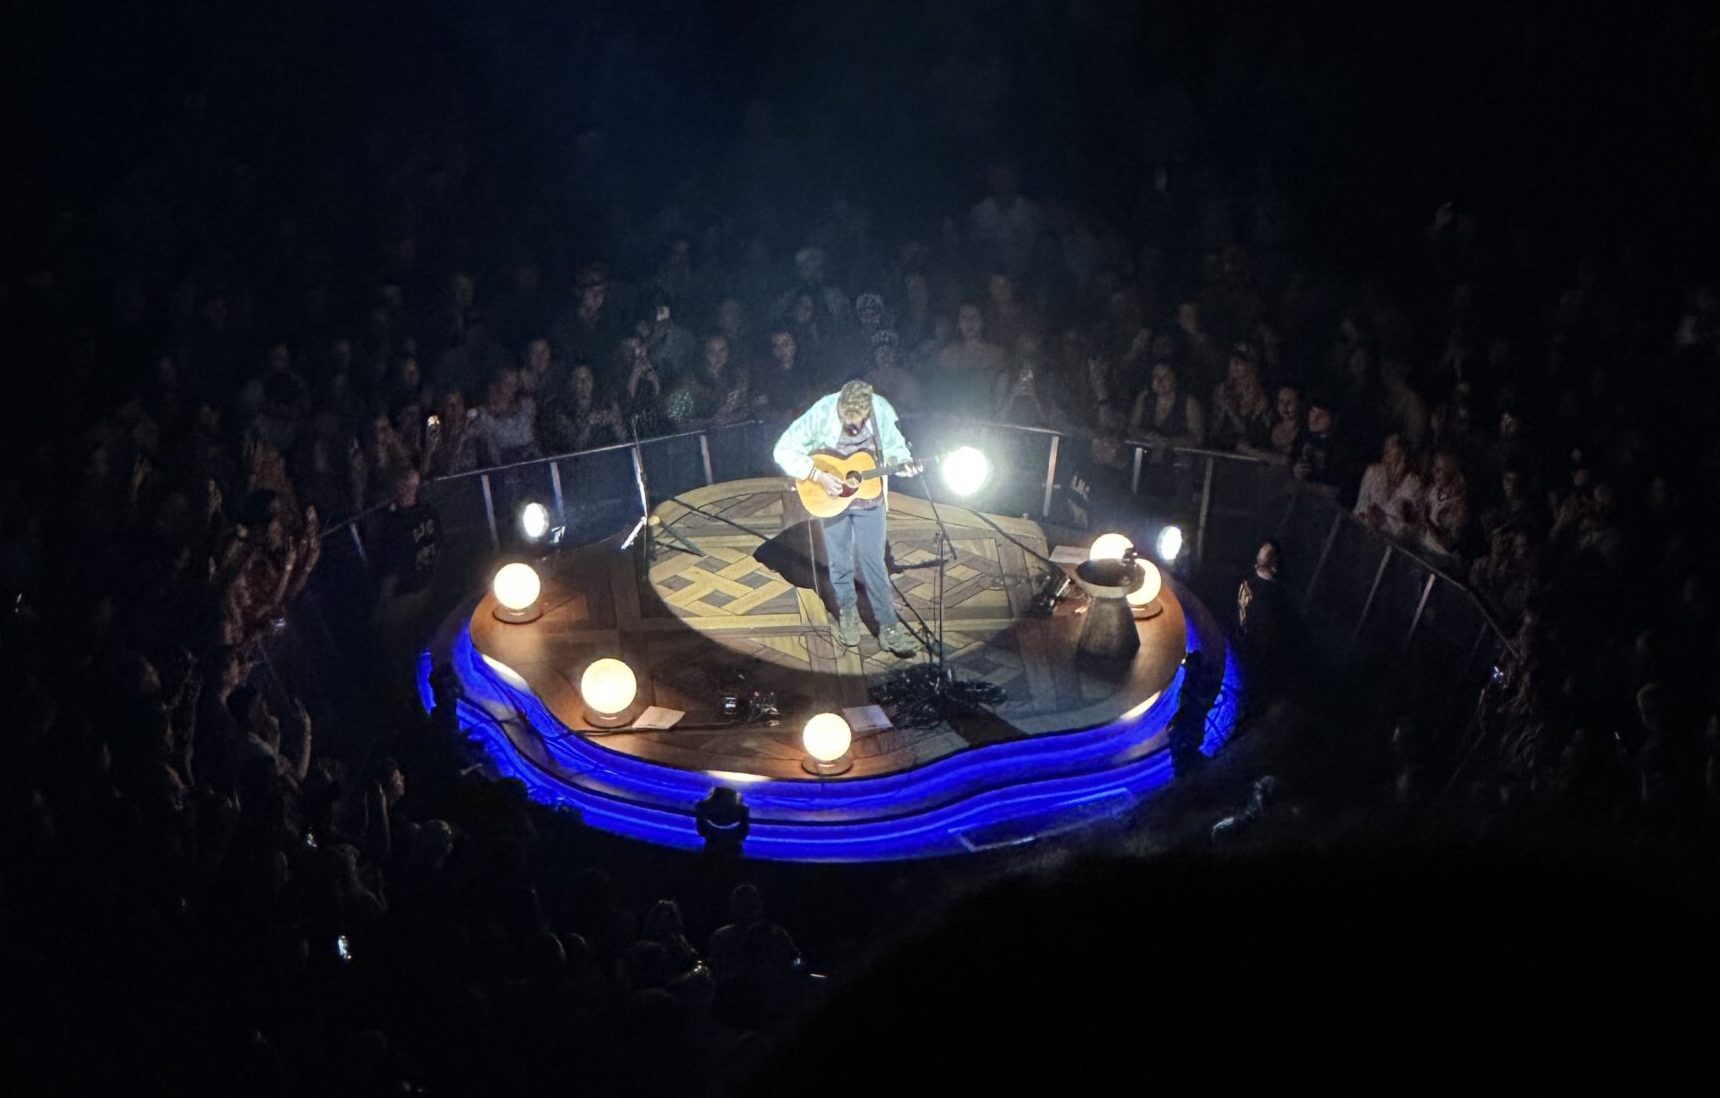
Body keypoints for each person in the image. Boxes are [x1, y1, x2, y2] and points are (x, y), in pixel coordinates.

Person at [772, 380, 920, 655]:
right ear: (838, 405)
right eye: (845, 420)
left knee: (874, 562)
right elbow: (782, 450)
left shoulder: (881, 410)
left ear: (868, 410)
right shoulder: (821, 412)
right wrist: (817, 475)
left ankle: (889, 627)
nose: (851, 427)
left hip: (869, 495)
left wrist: (904, 463)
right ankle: (847, 612)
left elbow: (895, 448)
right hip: (830, 496)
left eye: (857, 422)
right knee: (839, 558)